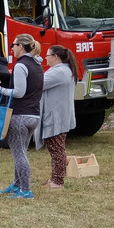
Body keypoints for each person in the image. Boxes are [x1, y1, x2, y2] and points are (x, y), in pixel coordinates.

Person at [0, 34, 43, 199]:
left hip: (20, 114)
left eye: (13, 45)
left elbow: (19, 92)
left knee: (19, 154)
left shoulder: (21, 66)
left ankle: (26, 190)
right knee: (21, 151)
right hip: (33, 115)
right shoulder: (37, 64)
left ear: (21, 46)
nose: (11, 48)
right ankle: (17, 184)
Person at [35, 45, 78, 189]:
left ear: (55, 57)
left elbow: (38, 83)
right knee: (56, 147)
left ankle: (57, 181)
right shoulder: (64, 70)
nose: (45, 58)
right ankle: (55, 178)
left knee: (57, 149)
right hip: (60, 115)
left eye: (47, 55)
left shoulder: (59, 72)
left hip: (56, 117)